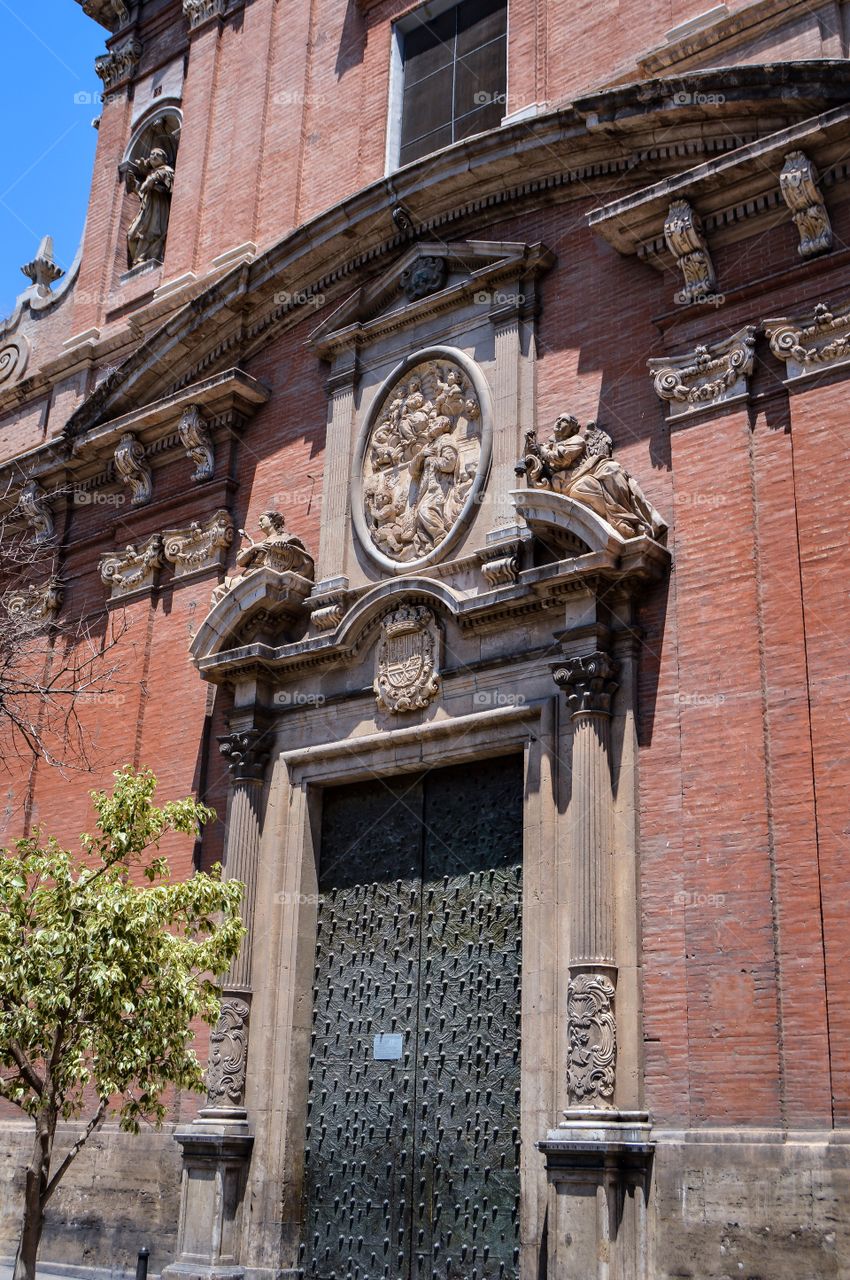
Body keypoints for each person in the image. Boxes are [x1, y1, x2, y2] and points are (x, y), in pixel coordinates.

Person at [127, 147, 175, 268]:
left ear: (164, 159)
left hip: (158, 207)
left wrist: (151, 179)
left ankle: (150, 258)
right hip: (146, 209)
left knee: (153, 232)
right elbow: (143, 192)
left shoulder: (166, 170)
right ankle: (138, 259)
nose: (153, 156)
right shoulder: (151, 173)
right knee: (132, 234)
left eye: (157, 155)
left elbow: (164, 182)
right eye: (152, 154)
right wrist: (135, 184)